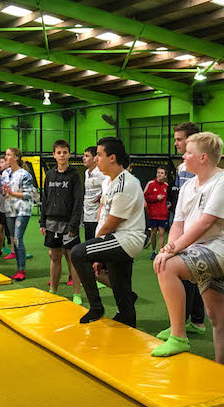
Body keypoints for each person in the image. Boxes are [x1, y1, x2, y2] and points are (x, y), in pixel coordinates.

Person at [151, 132, 224, 365]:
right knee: (218, 317)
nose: (183, 156)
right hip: (201, 249)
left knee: (167, 267)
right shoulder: (188, 186)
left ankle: (178, 335)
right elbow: (178, 223)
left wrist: (172, 250)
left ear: (203, 157)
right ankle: (223, 366)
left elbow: (206, 222)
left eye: (188, 152)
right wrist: (168, 248)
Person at [71, 137, 145, 326]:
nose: (96, 159)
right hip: (115, 238)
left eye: (99, 154)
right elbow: (103, 215)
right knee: (121, 287)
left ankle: (96, 307)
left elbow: (111, 224)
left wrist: (96, 252)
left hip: (126, 239)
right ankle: (127, 319)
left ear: (112, 158)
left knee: (78, 253)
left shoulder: (125, 184)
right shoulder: (108, 182)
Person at [168, 122, 207, 337]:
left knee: (189, 276)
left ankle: (181, 325)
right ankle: (197, 321)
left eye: (179, 139)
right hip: (184, 226)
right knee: (192, 276)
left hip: (196, 230)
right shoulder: (182, 167)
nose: (176, 143)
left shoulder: (202, 167)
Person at [40, 140, 83, 304]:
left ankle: (77, 293)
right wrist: (43, 222)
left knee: (73, 258)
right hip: (52, 222)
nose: (62, 155)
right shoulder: (50, 174)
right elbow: (45, 199)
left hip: (68, 223)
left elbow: (78, 201)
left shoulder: (74, 175)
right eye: (59, 153)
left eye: (65, 152)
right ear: (54, 155)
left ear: (69, 154)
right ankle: (53, 290)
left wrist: (73, 224)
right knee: (54, 256)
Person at [1, 148, 34, 280]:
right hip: (10, 209)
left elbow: (28, 194)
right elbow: (4, 192)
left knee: (17, 239)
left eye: (9, 155)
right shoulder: (5, 173)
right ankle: (18, 268)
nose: (6, 157)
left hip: (22, 210)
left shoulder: (25, 174)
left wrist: (12, 193)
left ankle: (22, 269)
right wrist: (5, 191)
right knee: (14, 240)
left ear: (15, 157)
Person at [82, 146, 108, 241]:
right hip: (87, 215)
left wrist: (102, 195)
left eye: (87, 156)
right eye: (84, 156)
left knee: (96, 243)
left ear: (94, 158)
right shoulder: (86, 172)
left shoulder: (102, 173)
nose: (83, 158)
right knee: (88, 242)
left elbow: (111, 186)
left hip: (97, 216)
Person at [144, 166, 169, 260]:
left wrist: (168, 204)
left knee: (162, 233)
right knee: (154, 233)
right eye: (158, 172)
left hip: (163, 214)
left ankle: (160, 253)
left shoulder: (166, 186)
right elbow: (144, 197)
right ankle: (153, 251)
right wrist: (156, 198)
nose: (160, 174)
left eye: (162, 173)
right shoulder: (150, 184)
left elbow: (168, 198)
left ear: (165, 175)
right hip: (153, 214)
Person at [0, 155, 11, 257]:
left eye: (3, 162)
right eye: (0, 162)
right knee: (0, 226)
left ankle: (14, 250)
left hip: (10, 204)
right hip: (1, 203)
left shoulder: (13, 174)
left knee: (11, 228)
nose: (1, 164)